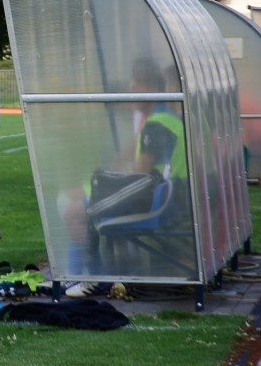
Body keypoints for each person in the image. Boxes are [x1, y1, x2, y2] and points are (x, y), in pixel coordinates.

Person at [60, 58, 186, 297]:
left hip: (158, 200)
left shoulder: (156, 125)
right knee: (84, 202)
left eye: (133, 88)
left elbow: (138, 178)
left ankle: (90, 278)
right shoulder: (164, 118)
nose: (129, 94)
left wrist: (101, 185)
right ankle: (74, 276)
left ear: (148, 90)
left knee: (75, 211)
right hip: (169, 194)